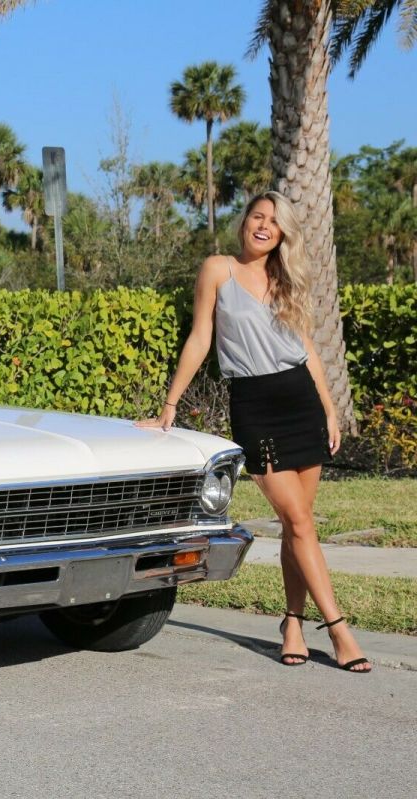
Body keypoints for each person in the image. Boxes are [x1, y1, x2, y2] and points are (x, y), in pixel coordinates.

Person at [136, 191, 371, 673]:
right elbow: (201, 337)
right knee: (300, 523)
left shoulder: (286, 279)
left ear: (283, 233)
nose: (264, 226)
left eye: (274, 222)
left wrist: (328, 410)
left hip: (301, 401)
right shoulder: (218, 269)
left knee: (297, 524)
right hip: (256, 406)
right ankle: (340, 629)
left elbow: (306, 347)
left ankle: (292, 623)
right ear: (244, 222)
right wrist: (169, 406)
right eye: (257, 217)